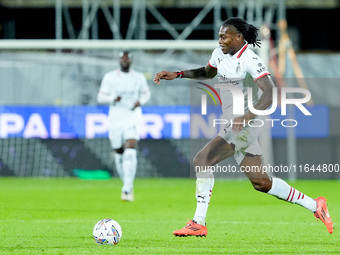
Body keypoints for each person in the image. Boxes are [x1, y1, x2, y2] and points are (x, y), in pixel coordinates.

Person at [154, 17, 333, 236]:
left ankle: (198, 222)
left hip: (245, 124)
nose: (220, 40)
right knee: (261, 182)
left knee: (202, 159)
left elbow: (269, 93)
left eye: (225, 36)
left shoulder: (250, 59)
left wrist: (247, 116)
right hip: (235, 124)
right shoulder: (219, 54)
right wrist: (178, 74)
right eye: (220, 36)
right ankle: (316, 206)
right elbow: (208, 72)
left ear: (239, 38)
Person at [98, 51, 150, 202]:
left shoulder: (139, 77)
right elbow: (100, 97)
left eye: (127, 58)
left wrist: (141, 101)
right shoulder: (110, 77)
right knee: (119, 154)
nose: (125, 60)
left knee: (130, 150)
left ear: (131, 61)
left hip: (132, 116)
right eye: (123, 58)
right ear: (119, 60)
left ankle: (127, 187)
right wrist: (113, 98)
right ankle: (126, 184)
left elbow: (146, 94)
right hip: (116, 117)